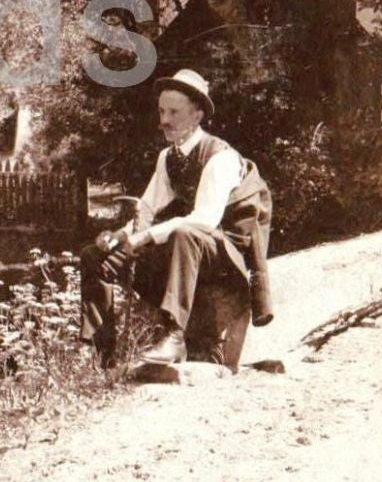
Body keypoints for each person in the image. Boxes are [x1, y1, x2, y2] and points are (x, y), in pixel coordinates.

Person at [81, 69, 274, 367]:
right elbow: (146, 208)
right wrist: (120, 236)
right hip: (191, 253)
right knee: (95, 256)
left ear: (197, 116)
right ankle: (102, 353)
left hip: (226, 257)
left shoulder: (219, 157)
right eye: (161, 111)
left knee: (185, 233)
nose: (164, 121)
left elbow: (204, 220)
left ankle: (175, 337)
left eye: (174, 112)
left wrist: (145, 237)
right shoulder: (168, 157)